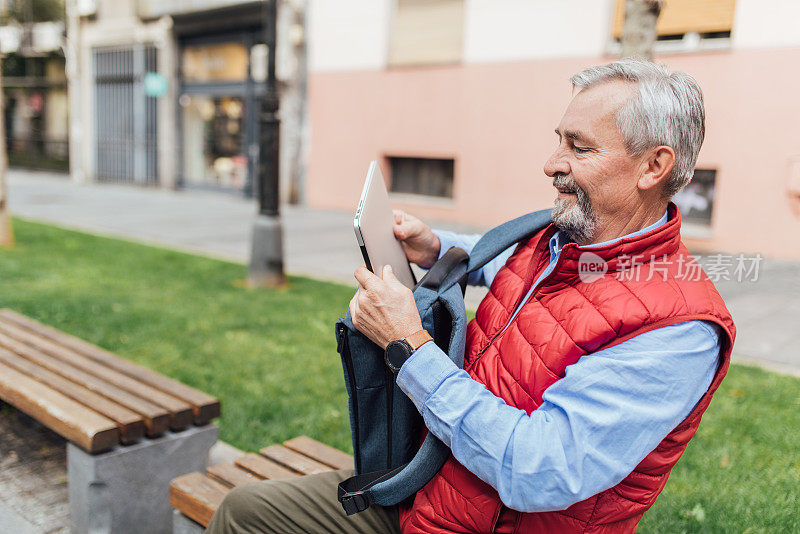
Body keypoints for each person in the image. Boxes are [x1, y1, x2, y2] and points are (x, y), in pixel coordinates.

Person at [206, 58, 735, 534]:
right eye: (558, 140)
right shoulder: (565, 242)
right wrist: (439, 246)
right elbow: (514, 263)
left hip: (486, 518)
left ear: (652, 167)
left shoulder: (678, 331)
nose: (552, 163)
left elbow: (537, 469)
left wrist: (408, 346)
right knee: (244, 512)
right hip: (432, 490)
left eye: (579, 147)